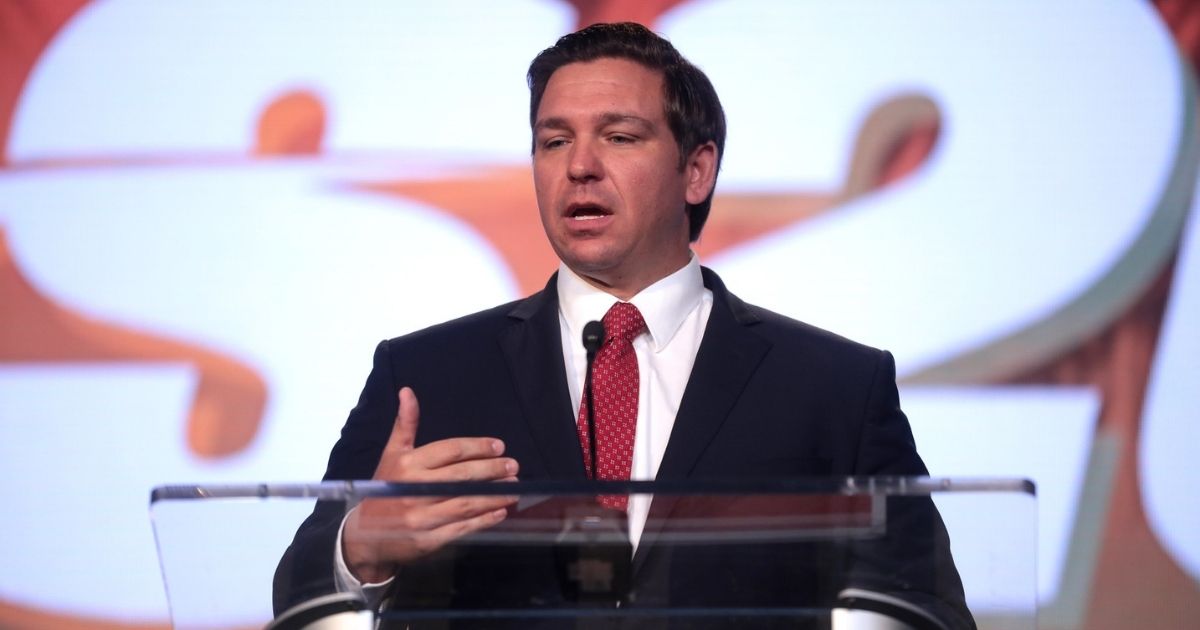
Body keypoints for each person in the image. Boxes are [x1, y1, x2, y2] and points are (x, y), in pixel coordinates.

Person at [275, 22, 973, 630]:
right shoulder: (427, 376)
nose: (579, 166)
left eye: (619, 136)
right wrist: (361, 545)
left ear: (696, 171)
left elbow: (926, 611)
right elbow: (299, 595)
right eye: (554, 141)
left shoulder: (834, 389)